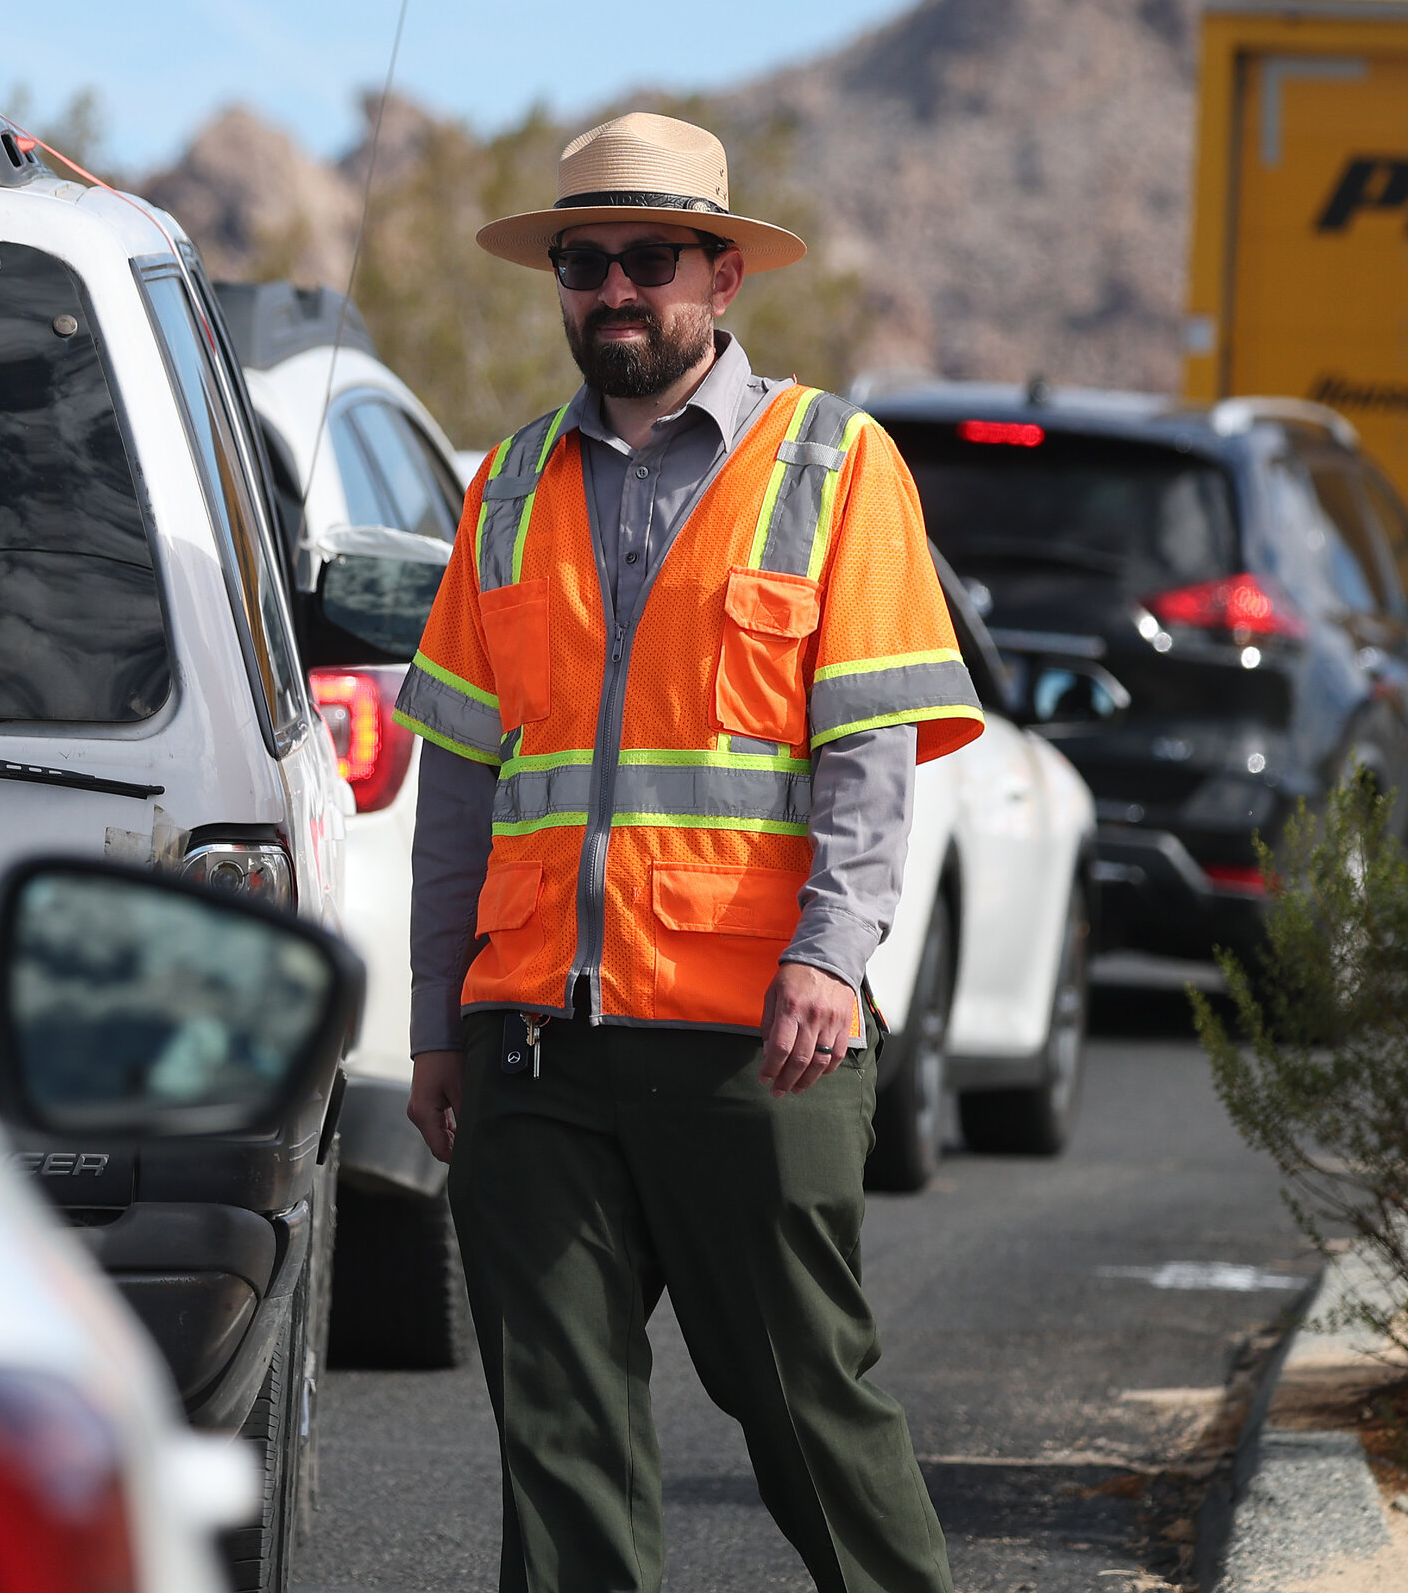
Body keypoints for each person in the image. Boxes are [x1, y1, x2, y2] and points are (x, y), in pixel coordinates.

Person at [395, 111, 982, 1593]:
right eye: (582, 263)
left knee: (808, 1418)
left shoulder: (835, 465)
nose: (612, 290)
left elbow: (869, 753)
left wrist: (829, 960)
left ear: (723, 275)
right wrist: (436, 1023)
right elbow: (460, 779)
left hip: (751, 1046)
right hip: (534, 1043)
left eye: (647, 259)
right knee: (559, 1443)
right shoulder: (510, 485)